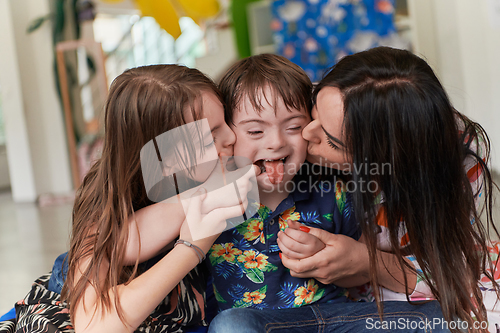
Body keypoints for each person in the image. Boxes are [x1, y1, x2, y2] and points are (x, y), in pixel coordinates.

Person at [209, 47, 500, 332]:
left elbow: (449, 269)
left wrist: (361, 260)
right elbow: (167, 151)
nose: (305, 132)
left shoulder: (453, 159)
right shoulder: (280, 99)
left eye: (332, 141)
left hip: (362, 302)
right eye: (314, 111)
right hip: (260, 316)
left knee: (459, 319)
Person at [0, 64, 260, 333]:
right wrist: (193, 243)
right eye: (210, 137)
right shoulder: (108, 197)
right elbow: (95, 326)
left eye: (226, 120)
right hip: (84, 310)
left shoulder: (223, 171)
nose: (231, 136)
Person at [206, 53, 361, 311]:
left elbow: (361, 275)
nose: (276, 142)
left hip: (331, 320)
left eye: (293, 127)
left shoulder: (334, 191)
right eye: (255, 131)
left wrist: (324, 256)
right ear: (227, 133)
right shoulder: (212, 199)